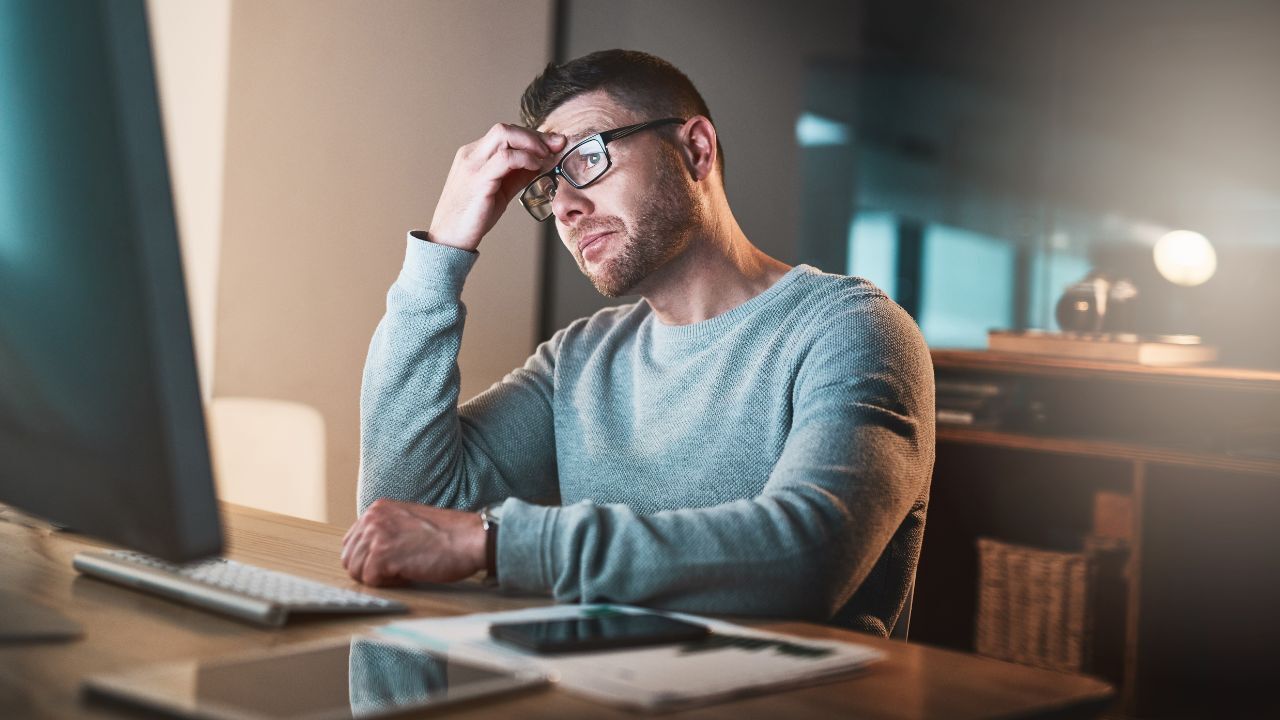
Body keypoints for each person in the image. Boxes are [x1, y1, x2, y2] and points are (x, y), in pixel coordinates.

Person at [341, 49, 934, 635]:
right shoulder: (578, 360)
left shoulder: (852, 329)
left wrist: (499, 543)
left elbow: (807, 560)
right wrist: (442, 250)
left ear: (695, 149)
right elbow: (403, 510)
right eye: (548, 186)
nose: (567, 207)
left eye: (587, 158)